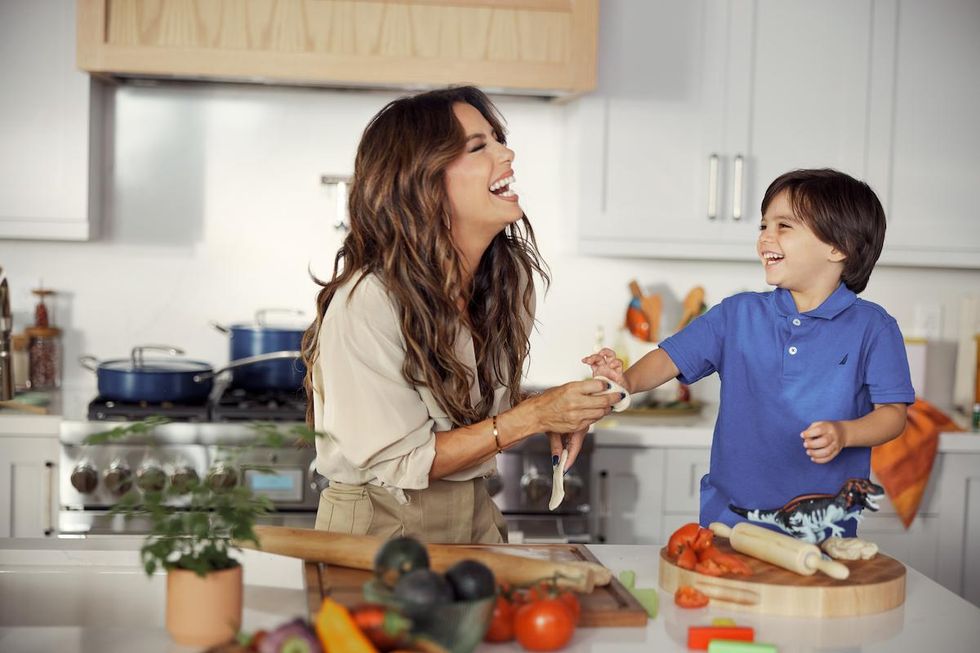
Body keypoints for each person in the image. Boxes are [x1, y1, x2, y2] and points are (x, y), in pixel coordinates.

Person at [302, 86, 620, 544]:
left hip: (474, 517)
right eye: (478, 146)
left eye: (497, 138)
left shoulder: (509, 283)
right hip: (378, 528)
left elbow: (476, 415)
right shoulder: (368, 302)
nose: (507, 152)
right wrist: (533, 417)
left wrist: (567, 406)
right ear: (422, 180)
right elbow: (404, 461)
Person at [585, 169, 915, 536]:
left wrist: (845, 432)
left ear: (838, 247)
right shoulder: (736, 314)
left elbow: (893, 416)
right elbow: (669, 358)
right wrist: (625, 379)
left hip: (823, 531)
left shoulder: (874, 329)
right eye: (763, 225)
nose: (765, 238)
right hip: (730, 522)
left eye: (784, 226)